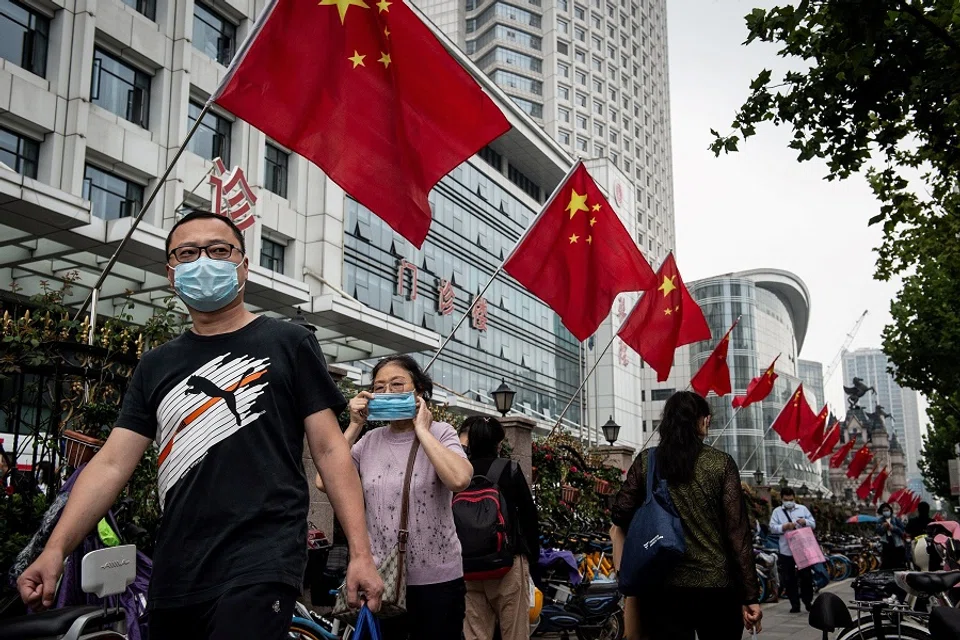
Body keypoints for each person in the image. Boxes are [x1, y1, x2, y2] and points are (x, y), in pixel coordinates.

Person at [16, 211, 383, 639]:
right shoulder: (156, 365)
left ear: (243, 265)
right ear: (172, 274)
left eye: (219, 250)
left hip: (261, 560)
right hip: (177, 569)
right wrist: (55, 550)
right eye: (187, 253)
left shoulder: (289, 343)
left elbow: (330, 449)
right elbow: (113, 463)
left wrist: (360, 552)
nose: (203, 261)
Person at [316, 355, 473, 639]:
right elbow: (324, 480)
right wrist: (354, 425)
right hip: (381, 581)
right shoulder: (368, 442)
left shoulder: (442, 433)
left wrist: (422, 430)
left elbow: (459, 479)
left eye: (397, 384)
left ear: (419, 391)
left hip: (438, 583)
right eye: (379, 387)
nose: (387, 393)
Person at [610, 391, 761, 640]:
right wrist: (750, 596)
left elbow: (620, 513)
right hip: (716, 587)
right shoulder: (720, 464)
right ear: (701, 421)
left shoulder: (648, 461)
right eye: (706, 418)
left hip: (662, 589)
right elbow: (738, 535)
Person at [458, 416, 539, 640]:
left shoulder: (458, 472)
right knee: (514, 632)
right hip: (507, 562)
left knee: (475, 633)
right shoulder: (509, 469)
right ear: (498, 443)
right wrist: (532, 557)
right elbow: (529, 515)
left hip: (469, 566)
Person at [769, 487, 816, 613]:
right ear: (782, 499)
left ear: (794, 498)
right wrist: (784, 527)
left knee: (806, 577)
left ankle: (807, 601)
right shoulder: (777, 512)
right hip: (786, 549)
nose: (788, 502)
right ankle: (794, 604)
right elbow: (772, 528)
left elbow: (813, 523)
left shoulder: (802, 509)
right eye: (786, 499)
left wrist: (804, 521)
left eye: (790, 499)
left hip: (802, 549)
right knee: (789, 578)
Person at [876, 502, 907, 569]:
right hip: (886, 543)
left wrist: (893, 528)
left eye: (887, 510)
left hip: (896, 543)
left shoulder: (896, 519)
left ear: (890, 510)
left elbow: (902, 532)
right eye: (884, 510)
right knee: (887, 563)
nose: (886, 512)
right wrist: (883, 527)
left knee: (898, 563)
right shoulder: (880, 521)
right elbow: (879, 532)